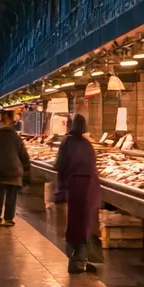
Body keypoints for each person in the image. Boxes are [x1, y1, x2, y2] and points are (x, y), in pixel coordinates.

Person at [55, 113, 101, 273]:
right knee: (84, 224)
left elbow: (60, 165)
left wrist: (60, 189)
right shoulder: (87, 144)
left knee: (75, 224)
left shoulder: (67, 143)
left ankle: (78, 260)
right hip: (88, 188)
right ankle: (78, 260)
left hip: (74, 187)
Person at [0, 111, 30, 226]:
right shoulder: (15, 136)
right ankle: (8, 219)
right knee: (12, 194)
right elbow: (23, 154)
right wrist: (27, 168)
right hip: (14, 169)